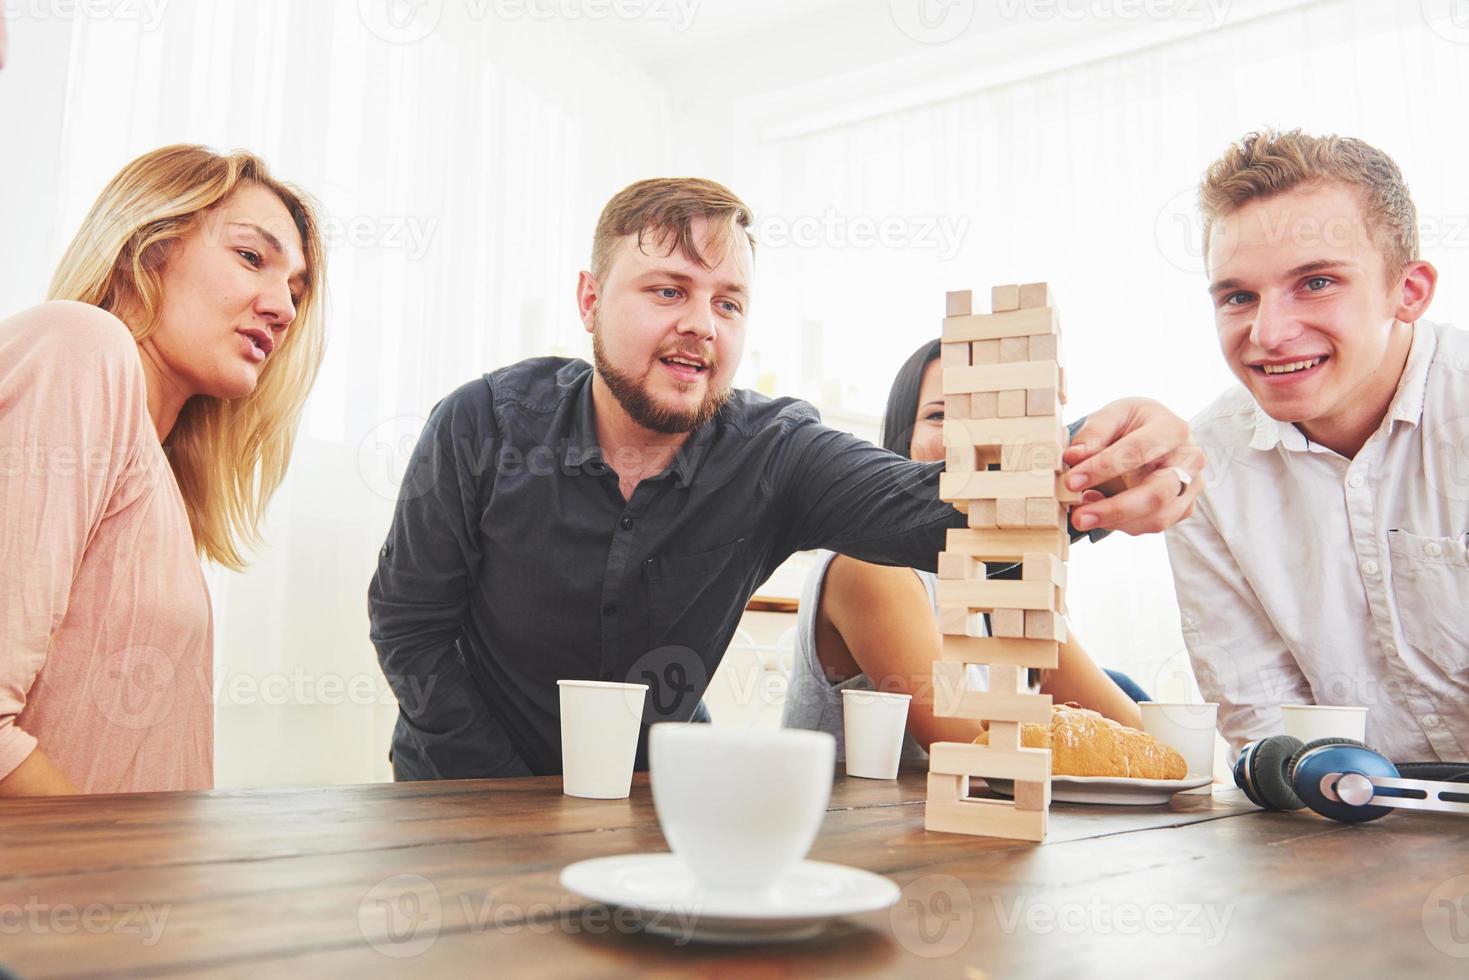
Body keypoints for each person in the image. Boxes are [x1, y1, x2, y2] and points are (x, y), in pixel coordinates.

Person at [369, 176, 1203, 782]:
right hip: (460, 787)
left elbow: (928, 510)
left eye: (727, 303)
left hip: (651, 797)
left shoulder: (773, 450)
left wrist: (1091, 458)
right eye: (668, 290)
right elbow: (409, 625)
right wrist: (498, 786)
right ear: (589, 299)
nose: (700, 325)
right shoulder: (480, 423)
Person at [0, 145, 327, 795]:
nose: (285, 311)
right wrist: (124, 888)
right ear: (147, 249)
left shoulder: (161, 480)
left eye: (294, 292)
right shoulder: (79, 347)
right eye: (251, 257)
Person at [1165, 130, 1467, 762]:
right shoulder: (1205, 465)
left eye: (1318, 282)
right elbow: (1267, 729)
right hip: (1354, 833)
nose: (1268, 334)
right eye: (1239, 296)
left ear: (1407, 291)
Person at [782, 339, 1147, 761]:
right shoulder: (869, 566)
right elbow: (976, 752)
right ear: (903, 439)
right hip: (855, 823)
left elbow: (1134, 738)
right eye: (939, 415)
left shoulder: (1004, 570)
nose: (968, 438)